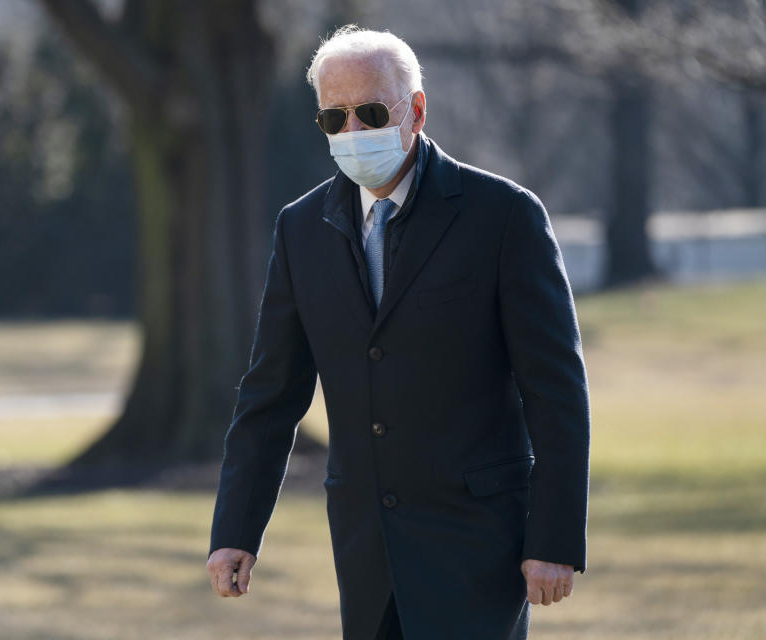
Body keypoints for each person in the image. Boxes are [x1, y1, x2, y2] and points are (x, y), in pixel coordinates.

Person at [206, 24, 591, 640]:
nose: (354, 133)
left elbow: (557, 393)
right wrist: (235, 532)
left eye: (371, 112)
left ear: (415, 110)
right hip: (365, 550)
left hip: (479, 545)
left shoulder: (505, 217)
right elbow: (269, 397)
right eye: (335, 119)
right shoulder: (300, 228)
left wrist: (555, 540)